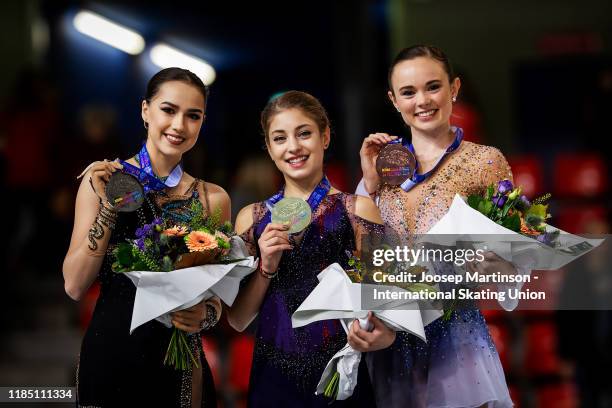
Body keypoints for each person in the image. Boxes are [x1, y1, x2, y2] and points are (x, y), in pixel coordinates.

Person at [358, 45, 523, 407]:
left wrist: (492, 266)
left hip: (456, 340)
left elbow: (513, 266)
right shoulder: (383, 166)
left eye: (433, 87)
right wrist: (368, 184)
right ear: (393, 100)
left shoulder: (485, 162)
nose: (422, 100)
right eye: (408, 92)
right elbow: (365, 259)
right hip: (389, 341)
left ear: (455, 88)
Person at [63, 68, 229, 407]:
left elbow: (218, 297)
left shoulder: (213, 198)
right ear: (145, 111)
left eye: (192, 115)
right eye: (169, 110)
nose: (179, 125)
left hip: (179, 363)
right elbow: (75, 285)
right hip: (112, 352)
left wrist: (205, 316)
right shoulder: (104, 180)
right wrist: (110, 206)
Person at [227, 91, 394, 407]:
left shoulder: (359, 210)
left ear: (325, 136)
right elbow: (237, 319)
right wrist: (266, 268)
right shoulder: (251, 218)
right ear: (269, 148)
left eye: (304, 133)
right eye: (280, 138)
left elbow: (390, 308)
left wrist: (383, 335)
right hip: (272, 376)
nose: (293, 147)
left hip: (339, 376)